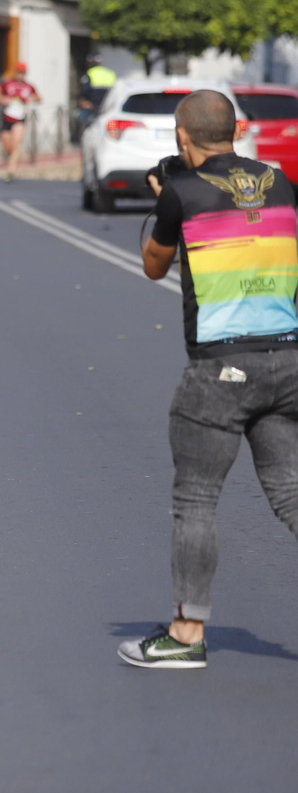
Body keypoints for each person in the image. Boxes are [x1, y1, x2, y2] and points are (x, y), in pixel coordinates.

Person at [120, 90, 298, 670]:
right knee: (291, 493)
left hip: (221, 370)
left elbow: (153, 266)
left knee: (196, 500)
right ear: (237, 131)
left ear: (181, 137)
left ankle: (186, 633)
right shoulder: (280, 183)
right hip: (286, 361)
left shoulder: (179, 192)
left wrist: (162, 203)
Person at [0, 63, 41, 182]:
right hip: (7, 117)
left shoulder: (29, 87)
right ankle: (12, 159)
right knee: (8, 147)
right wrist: (3, 99)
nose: (20, 75)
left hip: (19, 118)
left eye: (23, 72)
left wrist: (32, 99)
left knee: (16, 144)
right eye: (19, 72)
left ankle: (10, 172)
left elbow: (38, 98)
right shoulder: (7, 83)